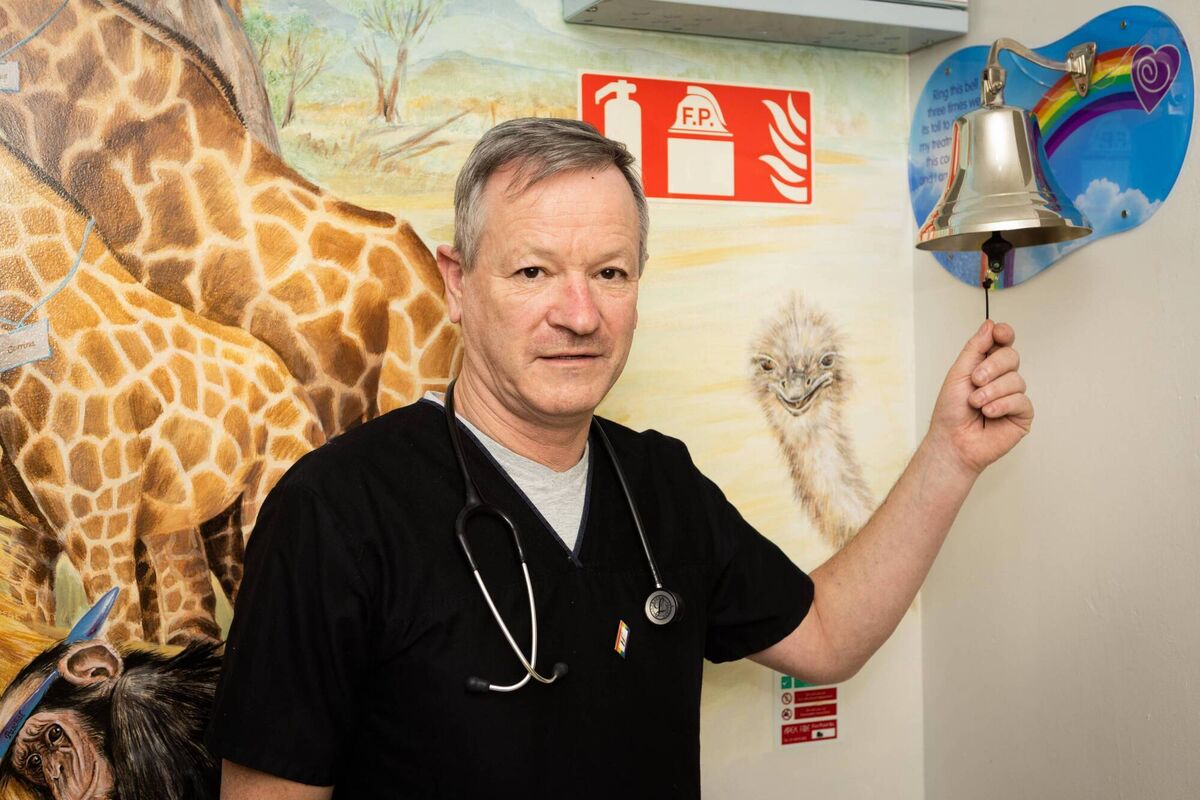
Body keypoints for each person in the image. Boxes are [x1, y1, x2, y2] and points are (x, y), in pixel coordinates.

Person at [207, 118, 1032, 799]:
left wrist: (949, 456)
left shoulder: (660, 485)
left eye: (610, 272)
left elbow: (826, 636)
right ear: (455, 283)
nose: (579, 313)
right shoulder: (335, 510)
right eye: (533, 271)